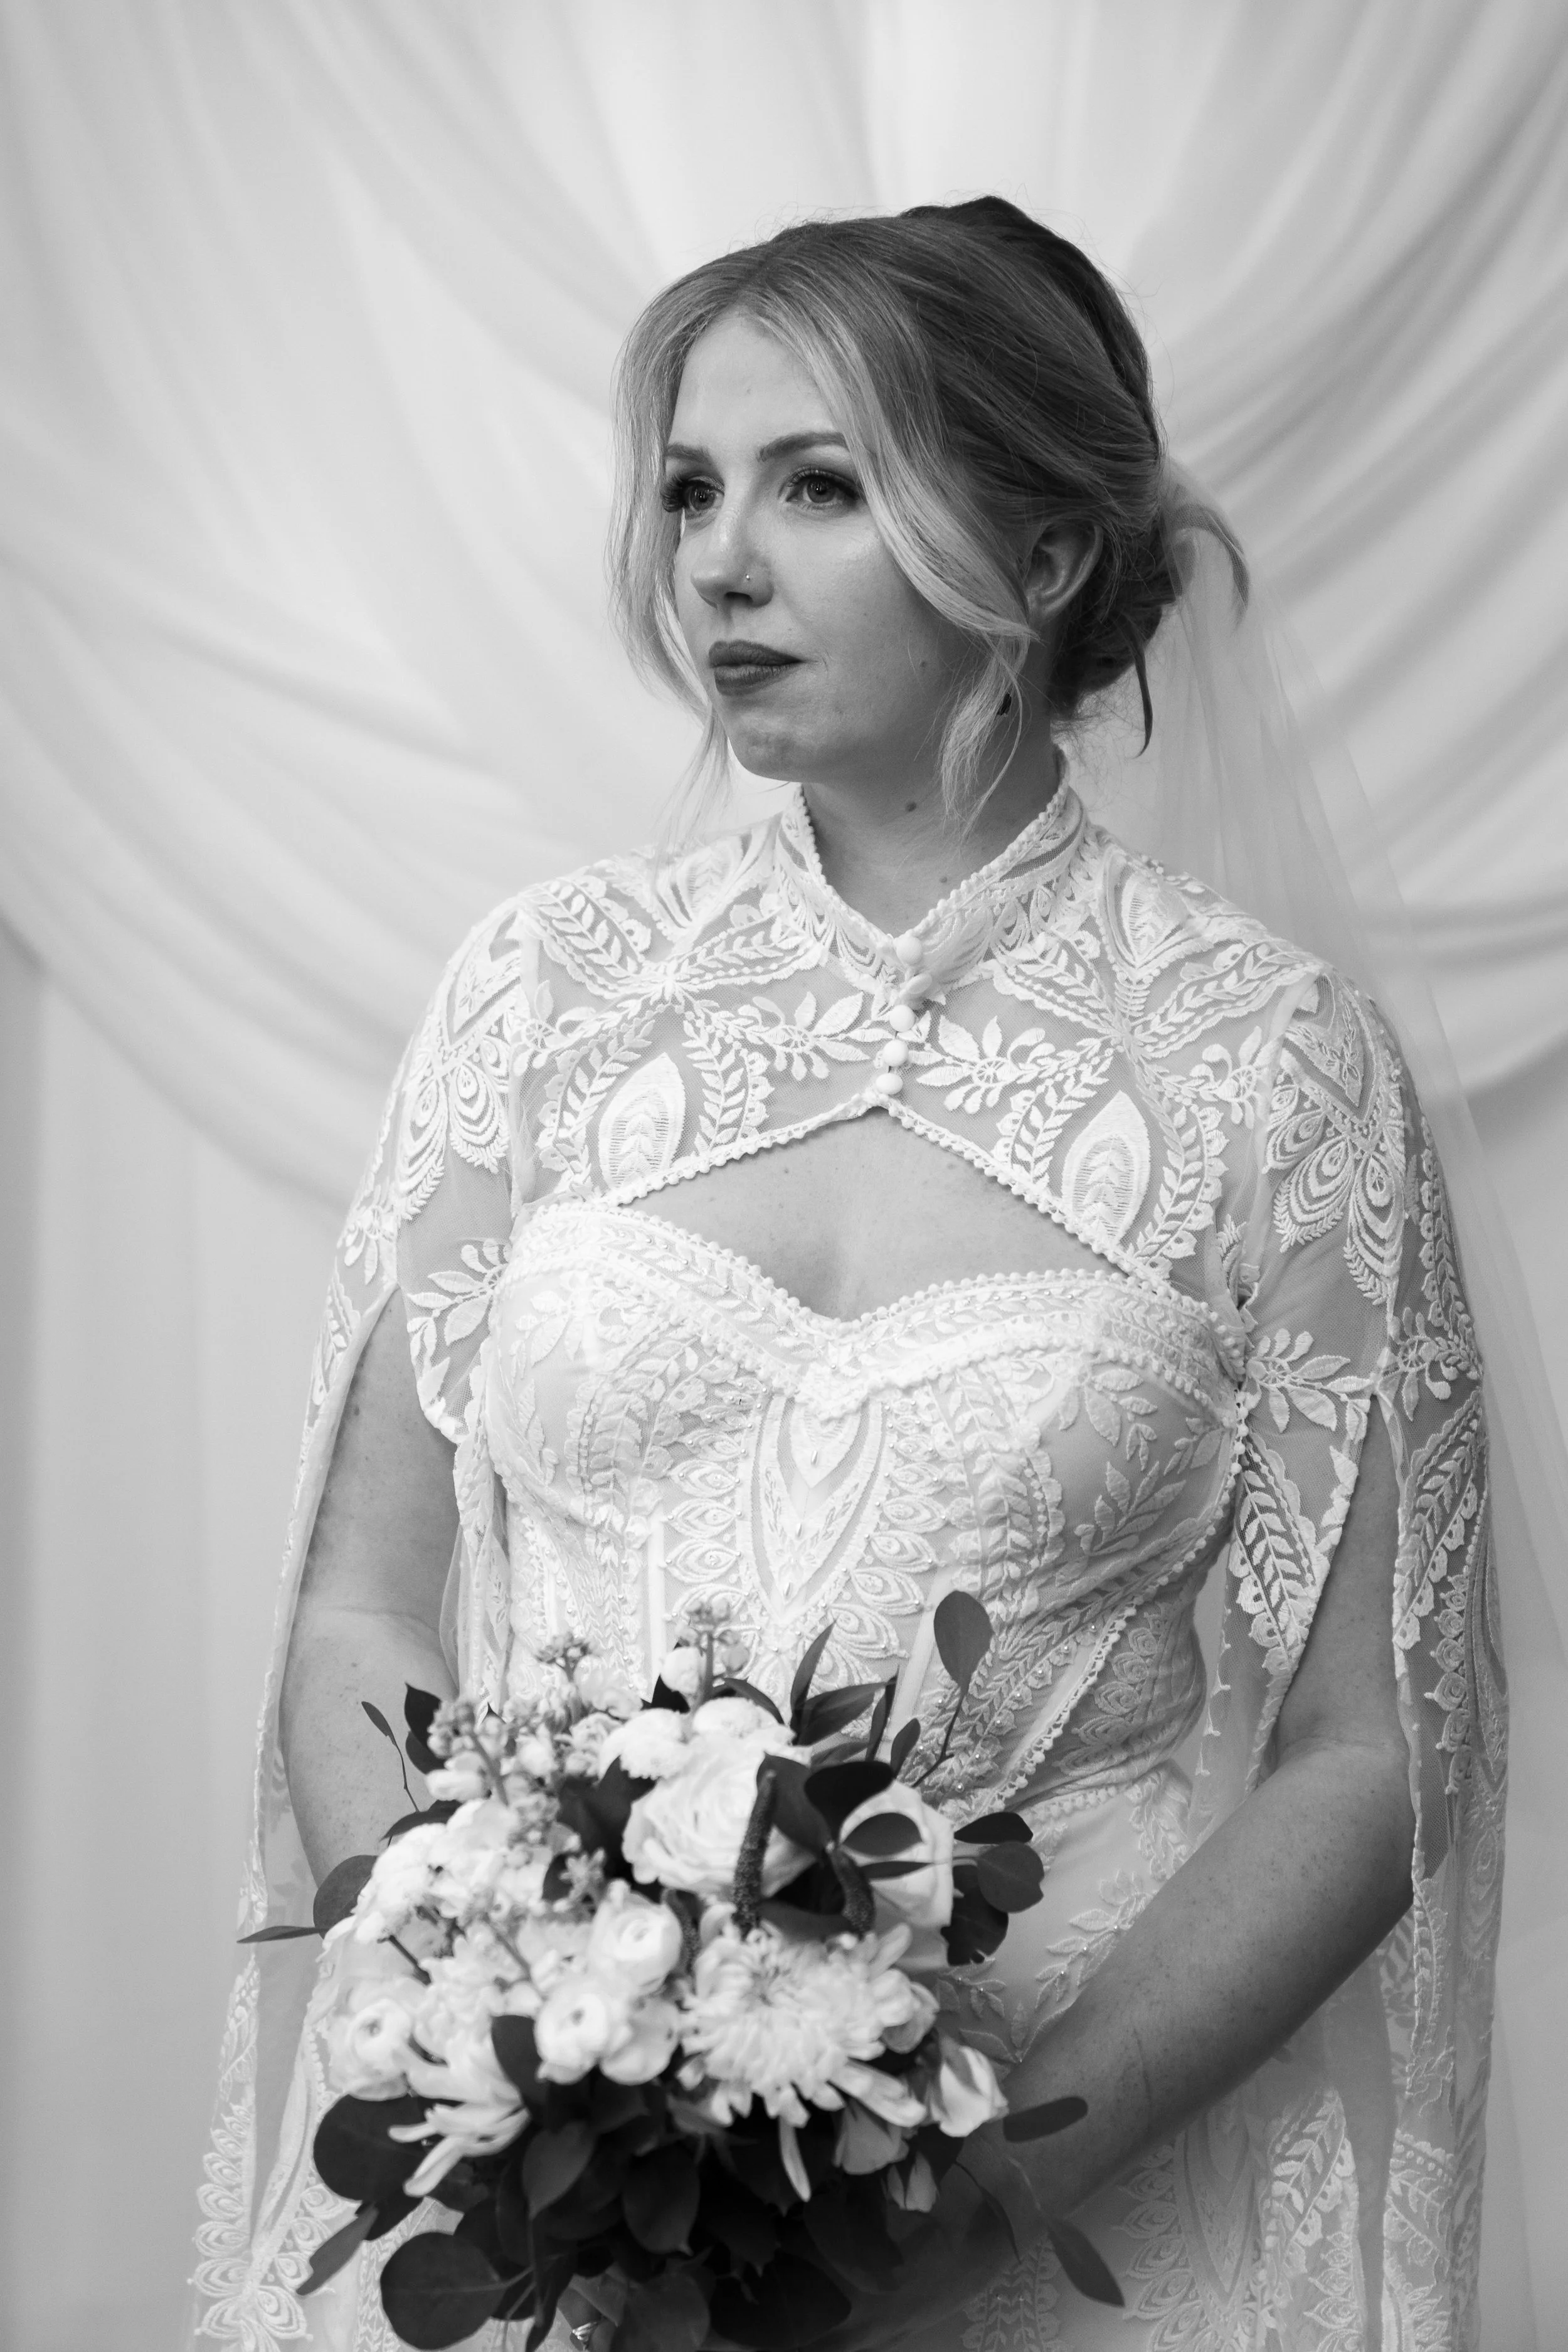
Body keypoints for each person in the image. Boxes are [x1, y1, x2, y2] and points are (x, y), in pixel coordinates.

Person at [187, 199, 1503, 2351]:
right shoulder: (544, 996)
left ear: (1043, 552)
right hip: (542, 2193)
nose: (716, 562)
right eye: (690, 487)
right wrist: (488, 1997)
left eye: (818, 484)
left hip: (1073, 2189)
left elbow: (1375, 1751)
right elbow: (358, 1595)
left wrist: (993, 2182)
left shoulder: (1275, 1067)